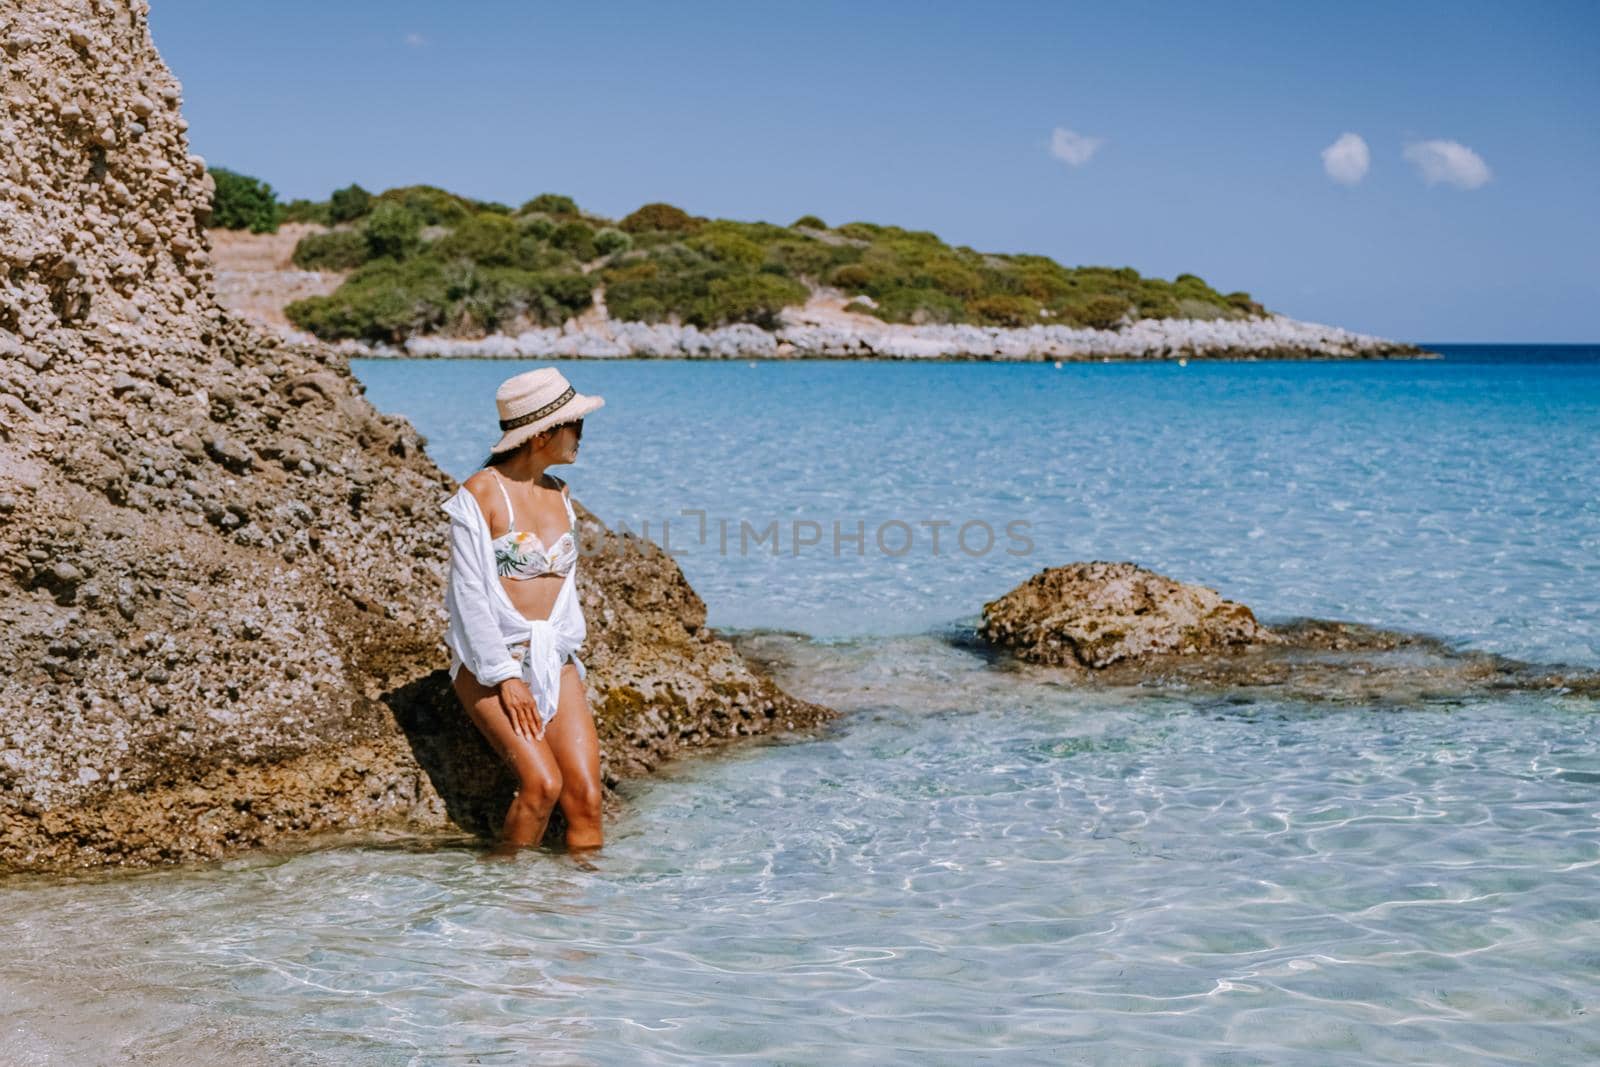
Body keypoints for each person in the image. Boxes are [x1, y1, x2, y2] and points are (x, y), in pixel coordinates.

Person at [440, 367, 606, 854]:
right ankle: (503, 905)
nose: (581, 436)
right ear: (544, 434)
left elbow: (565, 591)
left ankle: (581, 921)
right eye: (576, 425)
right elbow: (467, 596)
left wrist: (562, 653)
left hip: (553, 657)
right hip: (491, 662)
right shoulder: (481, 494)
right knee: (541, 788)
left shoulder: (560, 492)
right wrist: (505, 676)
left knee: (587, 801)